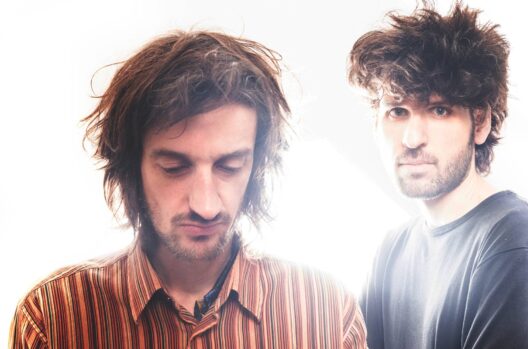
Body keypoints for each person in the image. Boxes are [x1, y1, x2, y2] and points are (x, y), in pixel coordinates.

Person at [10, 30, 366, 348]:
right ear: (132, 167)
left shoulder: (328, 312)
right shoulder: (52, 317)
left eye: (230, 167)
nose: (206, 205)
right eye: (174, 168)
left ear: (256, 167)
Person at [348, 3, 528, 349]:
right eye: (397, 111)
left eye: (439, 110)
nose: (412, 139)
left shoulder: (518, 235)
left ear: (480, 122)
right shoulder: (392, 250)